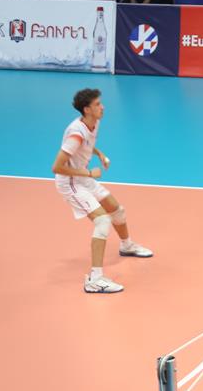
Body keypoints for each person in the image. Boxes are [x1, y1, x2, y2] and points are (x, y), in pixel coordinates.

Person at [51, 89, 153, 294]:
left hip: (82, 178)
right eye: (97, 104)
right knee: (103, 221)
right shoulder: (75, 134)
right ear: (87, 109)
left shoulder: (93, 122)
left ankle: (126, 245)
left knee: (117, 210)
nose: (102, 107)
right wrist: (89, 172)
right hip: (71, 183)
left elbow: (88, 144)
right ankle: (94, 280)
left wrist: (99, 154)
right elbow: (57, 167)